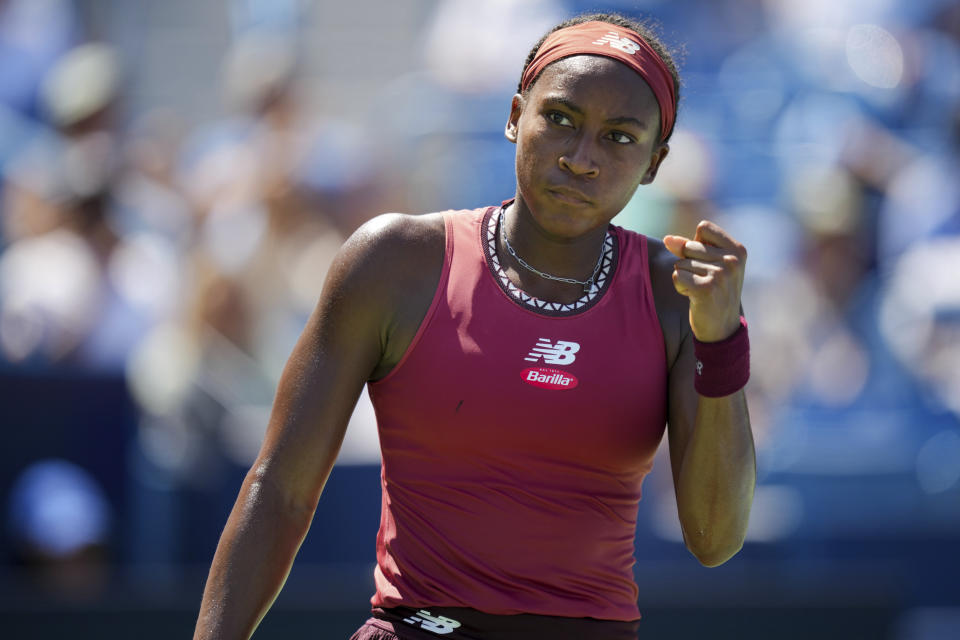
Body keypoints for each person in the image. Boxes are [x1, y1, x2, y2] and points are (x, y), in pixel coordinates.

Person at [193, 12, 755, 640]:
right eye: (561, 119)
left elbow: (715, 538)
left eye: (620, 137)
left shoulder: (675, 296)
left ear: (655, 162)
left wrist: (721, 339)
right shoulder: (395, 261)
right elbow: (280, 491)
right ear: (516, 115)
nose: (582, 158)